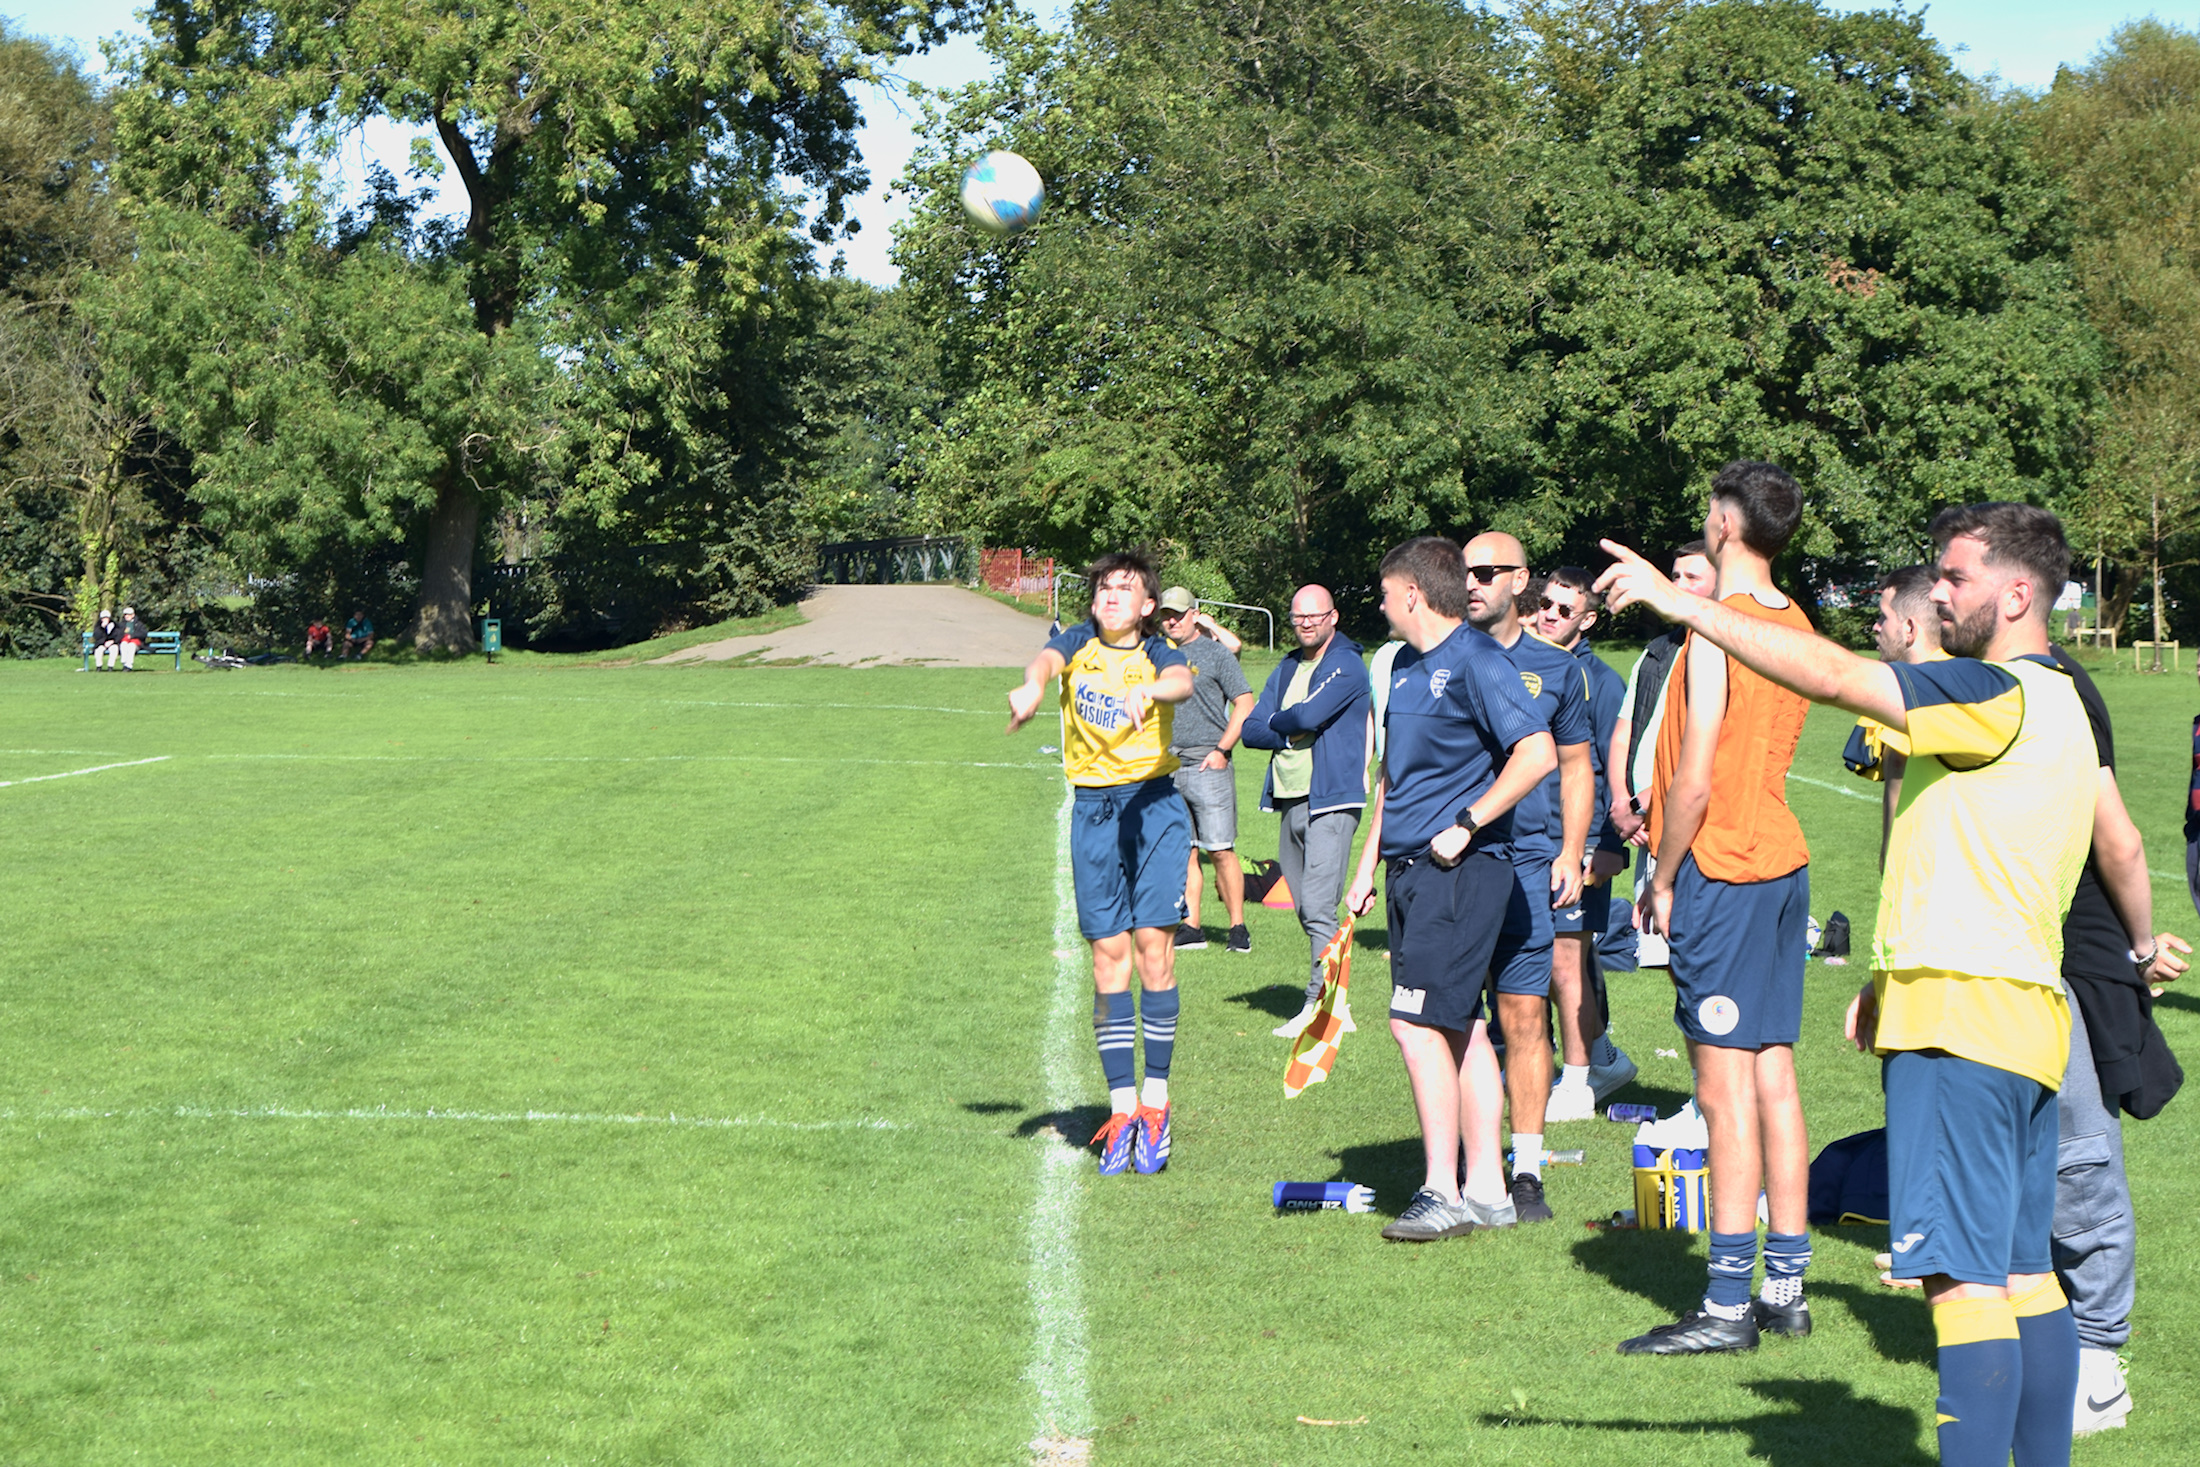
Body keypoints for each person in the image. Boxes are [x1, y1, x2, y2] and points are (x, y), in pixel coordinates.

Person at [1598, 501, 2093, 1461]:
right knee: (2029, 1276)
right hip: (2027, 1017)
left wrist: (1686, 606)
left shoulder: (1997, 692)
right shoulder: (2068, 698)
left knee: (1963, 1284)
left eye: (1956, 577)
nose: (1938, 593)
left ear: (2019, 592)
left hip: (1962, 1022)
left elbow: (1835, 674)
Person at [1619, 460, 1815, 1356]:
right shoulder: (1796, 622)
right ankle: (1787, 1283)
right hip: (1780, 863)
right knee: (1774, 1071)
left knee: (1724, 1087)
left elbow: (1694, 776)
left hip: (1724, 869)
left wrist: (1661, 877)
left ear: (1726, 527)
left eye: (1707, 510)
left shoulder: (1715, 634)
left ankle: (1729, 1305)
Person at [1341, 536, 1556, 1241]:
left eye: (1383, 591)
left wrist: (1468, 823)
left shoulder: (1478, 661)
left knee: (1415, 1023)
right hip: (1408, 872)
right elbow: (1392, 779)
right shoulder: (1400, 665)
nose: (1377, 604)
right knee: (1457, 1025)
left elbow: (1537, 753)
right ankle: (1488, 1191)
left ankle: (1441, 1188)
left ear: (1411, 593)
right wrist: (1369, 861)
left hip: (1460, 871)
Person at [1008, 553, 1196, 1176]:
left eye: (1127, 589)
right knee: (1107, 955)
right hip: (1093, 811)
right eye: (1104, 588)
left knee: (1152, 949)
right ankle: (1121, 1111)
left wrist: (1149, 689)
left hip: (1154, 804)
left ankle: (1157, 1106)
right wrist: (1035, 686)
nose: (1112, 596)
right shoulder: (1076, 642)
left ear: (1148, 606)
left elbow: (1182, 684)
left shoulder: (1159, 652)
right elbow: (1045, 660)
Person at [1461, 534, 1595, 1225]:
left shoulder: (1556, 668)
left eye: (1487, 571)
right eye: (1465, 571)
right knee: (1452, 1019)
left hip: (1525, 863)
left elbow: (1576, 766)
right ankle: (1467, 1159)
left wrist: (1572, 851)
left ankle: (1528, 1167)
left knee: (1522, 1015)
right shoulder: (1437, 656)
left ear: (1521, 582)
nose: (1473, 581)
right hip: (1450, 866)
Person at [1529, 567, 1639, 1121]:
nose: (1549, 615)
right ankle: (1601, 1057)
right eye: (1544, 604)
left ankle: (1576, 1083)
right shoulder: (1524, 664)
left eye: (1563, 610)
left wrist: (1610, 844)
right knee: (1540, 963)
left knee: (1566, 962)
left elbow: (1616, 770)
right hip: (1527, 840)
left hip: (1580, 843)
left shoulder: (1601, 679)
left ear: (1588, 619)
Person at [1241, 585, 1371, 1039]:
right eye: (1298, 617)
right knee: (1306, 909)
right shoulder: (1287, 665)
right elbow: (1252, 729)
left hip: (1331, 799)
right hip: (1288, 796)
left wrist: (1287, 720)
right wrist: (1285, 727)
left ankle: (1320, 1009)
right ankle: (1339, 1002)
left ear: (1333, 617)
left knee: (1318, 905)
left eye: (1315, 616)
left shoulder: (1347, 665)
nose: (1306, 623)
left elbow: (1308, 717)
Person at [1609, 542, 1716, 965]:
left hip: (1687, 827)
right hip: (1642, 824)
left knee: (1690, 957)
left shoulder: (1721, 653)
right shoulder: (1658, 650)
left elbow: (1705, 751)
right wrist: (1622, 801)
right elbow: (1623, 732)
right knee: (1657, 953)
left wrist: (1645, 806)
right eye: (1675, 576)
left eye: (1693, 577)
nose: (1679, 585)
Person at [1158, 586, 1256, 954]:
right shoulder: (1156, 654)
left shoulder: (1216, 653)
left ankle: (1237, 927)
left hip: (1207, 762)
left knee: (1220, 849)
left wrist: (1221, 750)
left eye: (1179, 614)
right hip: (1168, 765)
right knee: (1184, 849)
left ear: (1194, 614)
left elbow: (1245, 703)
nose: (1172, 620)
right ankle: (1191, 926)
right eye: (1167, 614)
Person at [117, 606, 149, 670]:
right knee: (123, 644)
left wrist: (132, 636)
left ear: (133, 615)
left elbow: (143, 634)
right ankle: (125, 663)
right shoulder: (121, 624)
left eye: (128, 614)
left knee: (131, 646)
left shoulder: (139, 624)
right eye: (125, 614)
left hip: (136, 643)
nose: (126, 616)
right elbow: (118, 634)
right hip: (124, 642)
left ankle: (128, 666)